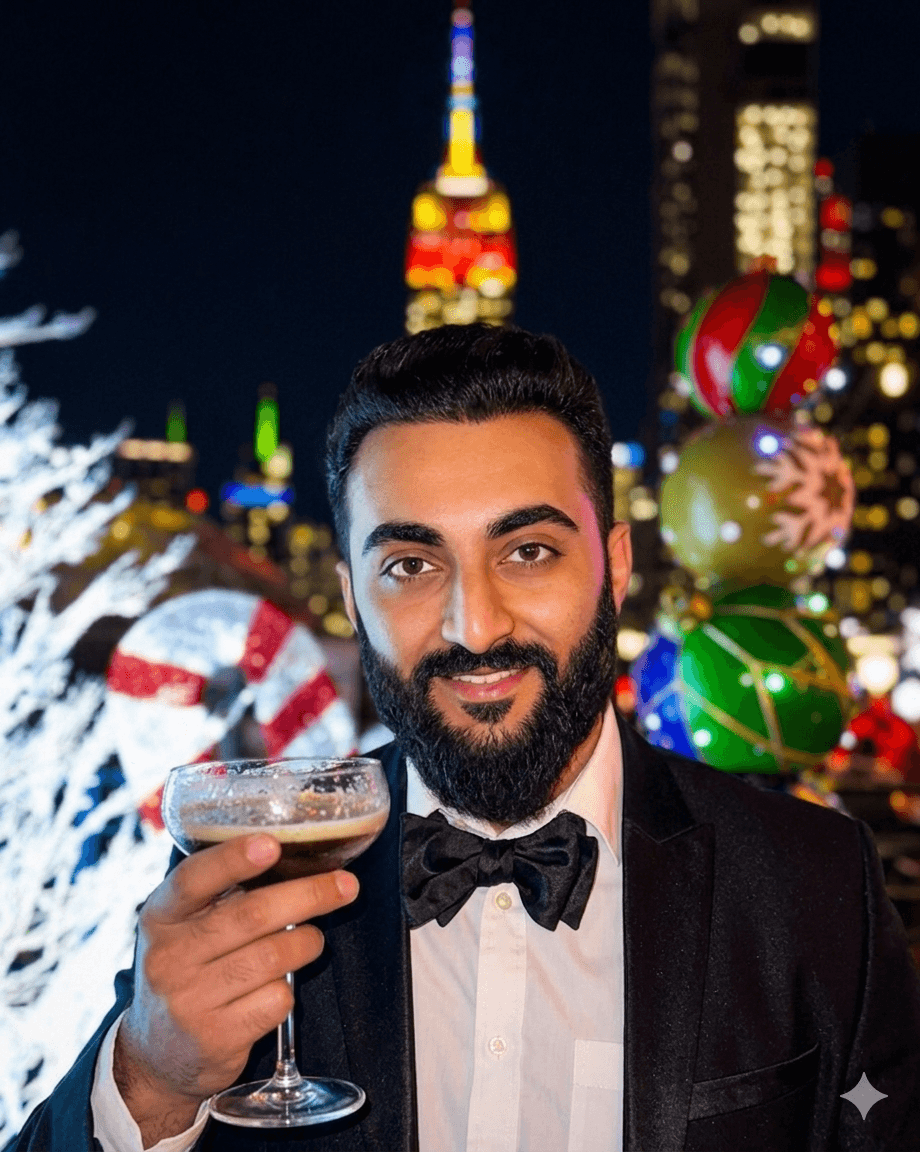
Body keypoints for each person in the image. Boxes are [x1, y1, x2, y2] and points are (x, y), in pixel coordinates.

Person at [10, 323, 920, 1151]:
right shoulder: (252, 882)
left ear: (616, 567)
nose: (474, 626)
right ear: (351, 592)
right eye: (410, 564)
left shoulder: (814, 883)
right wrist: (149, 1081)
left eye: (528, 552)